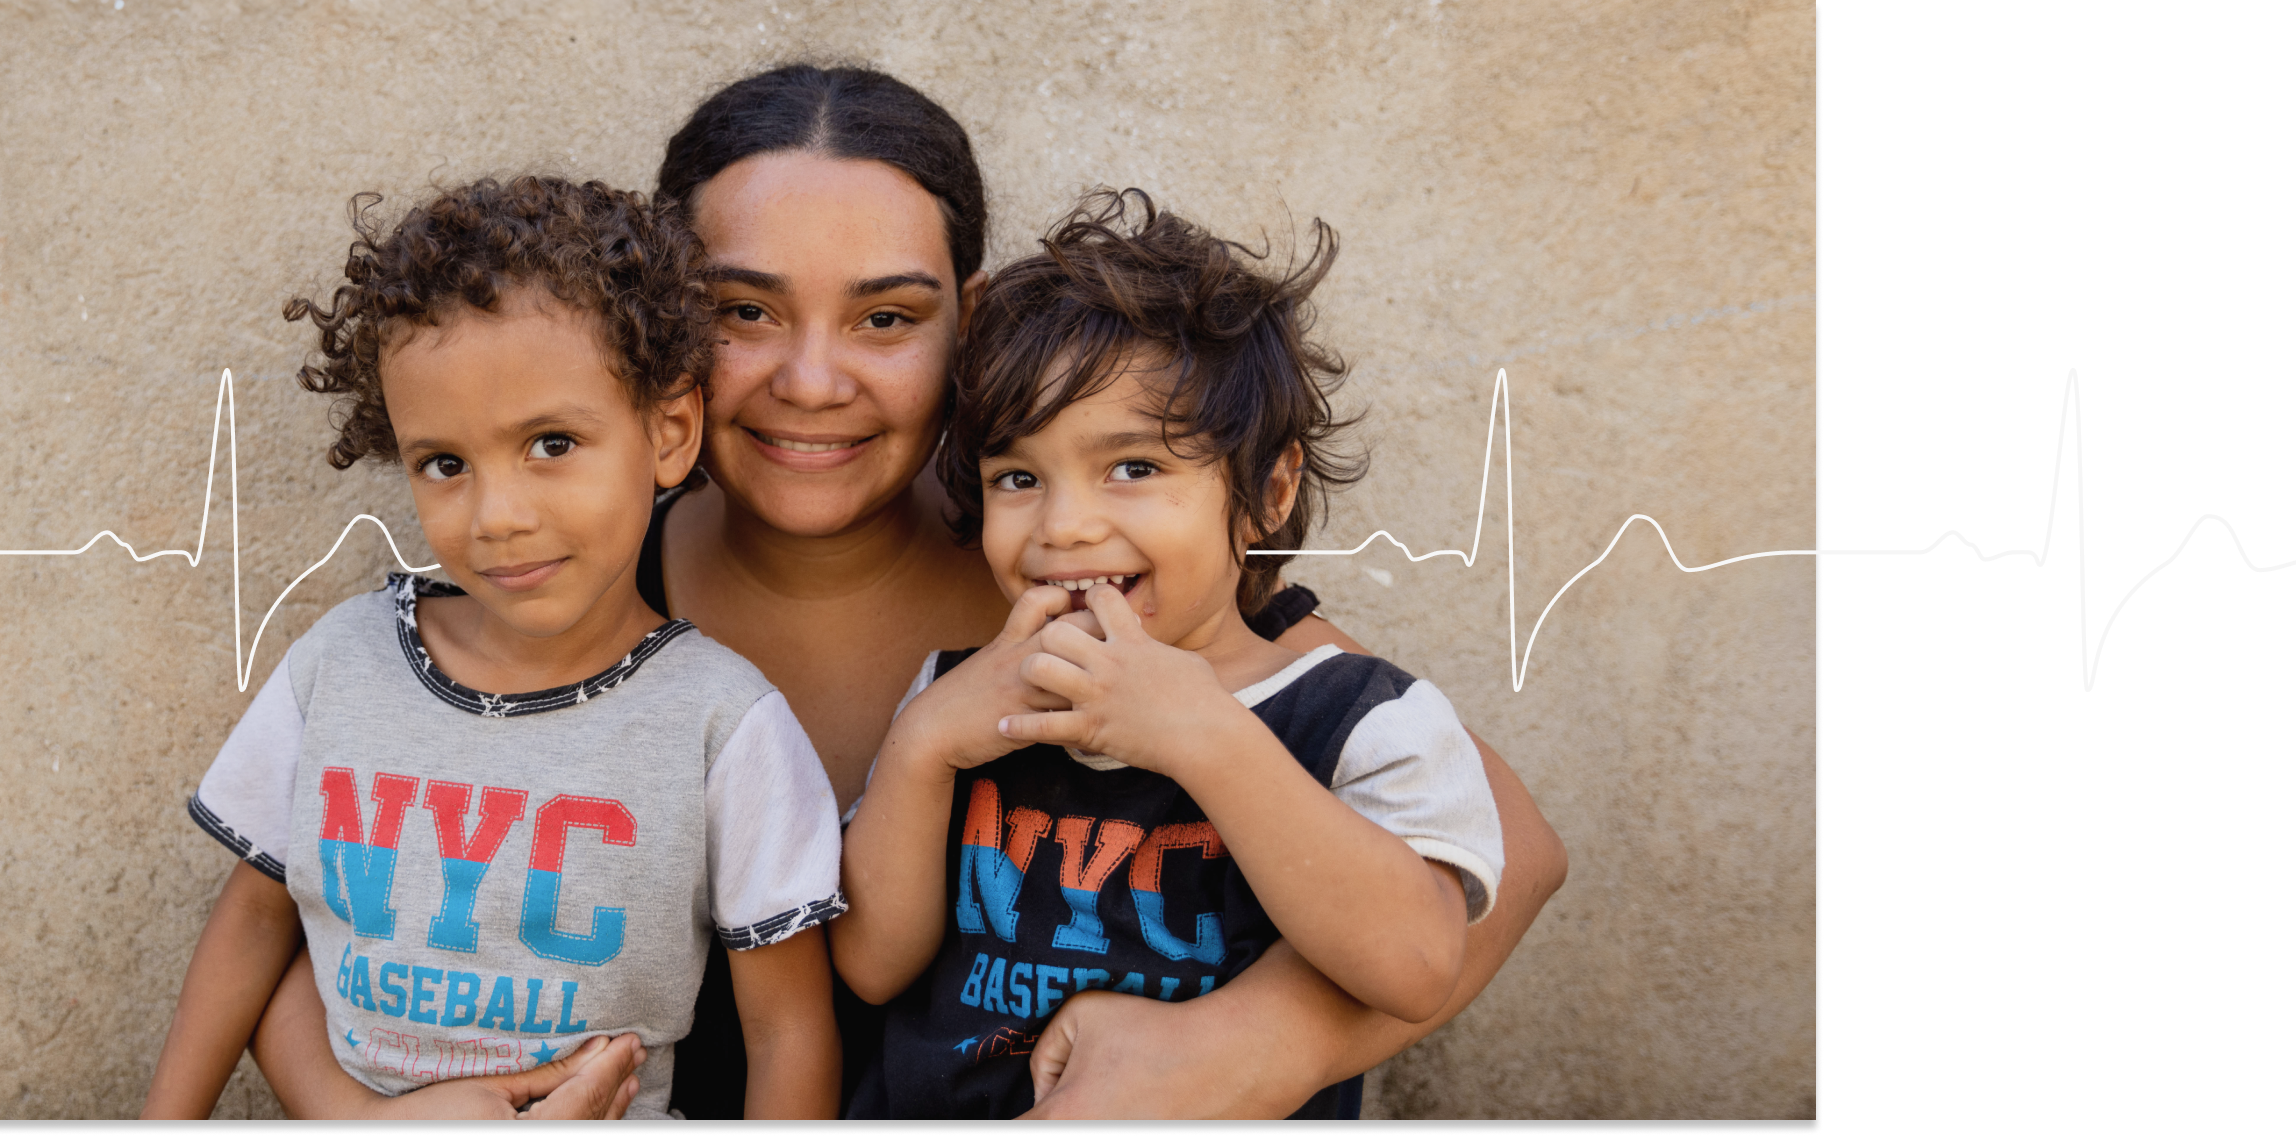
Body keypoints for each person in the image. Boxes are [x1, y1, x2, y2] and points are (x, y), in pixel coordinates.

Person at [253, 64, 1569, 1120]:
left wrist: (1255, 1045)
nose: (813, 380)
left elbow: (1506, 854)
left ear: (971, 318)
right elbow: (285, 894)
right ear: (658, 319)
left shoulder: (1081, 583)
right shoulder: (556, 576)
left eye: (887, 317)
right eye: (746, 313)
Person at [140, 176, 845, 1120]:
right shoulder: (340, 665)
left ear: (670, 431)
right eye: (445, 463)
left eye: (552, 443)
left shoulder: (724, 726)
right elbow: (255, 923)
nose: (498, 517)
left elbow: (790, 1033)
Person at [833, 188, 1504, 1119]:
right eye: (1018, 477)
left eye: (1135, 468)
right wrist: (920, 748)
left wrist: (1203, 736)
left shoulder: (1360, 719)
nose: (1065, 527)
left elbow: (1418, 967)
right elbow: (870, 969)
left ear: (1269, 490)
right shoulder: (958, 697)